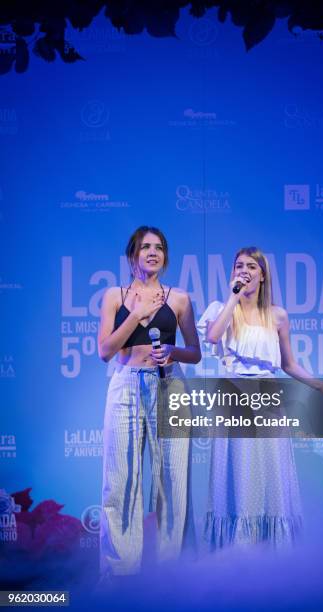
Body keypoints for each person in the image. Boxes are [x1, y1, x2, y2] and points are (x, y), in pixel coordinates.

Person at [197, 246, 323, 551]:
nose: (244, 271)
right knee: (236, 471)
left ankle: (272, 548)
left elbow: (288, 363)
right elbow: (212, 337)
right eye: (239, 266)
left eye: (251, 266)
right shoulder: (221, 308)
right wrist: (233, 298)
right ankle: (235, 548)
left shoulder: (277, 315)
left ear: (263, 275)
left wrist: (319, 386)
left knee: (270, 472)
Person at [98, 226, 201, 578]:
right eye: (145, 247)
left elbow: (196, 352)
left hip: (169, 387)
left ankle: (171, 572)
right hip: (125, 385)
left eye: (159, 248)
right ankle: (120, 573)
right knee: (121, 479)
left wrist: (172, 352)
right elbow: (106, 350)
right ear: (132, 256)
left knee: (173, 480)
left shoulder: (180, 298)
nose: (153, 253)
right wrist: (138, 316)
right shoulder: (115, 295)